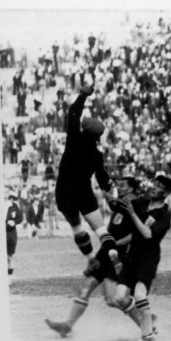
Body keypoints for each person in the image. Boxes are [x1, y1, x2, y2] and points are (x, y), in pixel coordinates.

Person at [45, 176, 155, 339]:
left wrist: (117, 243)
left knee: (113, 299)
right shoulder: (120, 204)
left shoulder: (138, 206)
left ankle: (146, 325)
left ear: (131, 188)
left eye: (123, 185)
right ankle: (67, 326)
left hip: (118, 256)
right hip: (105, 253)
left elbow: (139, 234)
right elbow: (109, 199)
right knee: (86, 288)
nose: (119, 188)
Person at [55, 85, 118, 270]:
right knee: (101, 230)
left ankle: (91, 259)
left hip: (65, 192)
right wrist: (109, 192)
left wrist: (83, 95)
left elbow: (73, 111)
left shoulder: (74, 139)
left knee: (77, 228)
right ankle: (114, 255)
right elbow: (102, 177)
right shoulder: (97, 155)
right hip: (84, 192)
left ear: (83, 129)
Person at [114, 174, 171, 341]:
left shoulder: (164, 214)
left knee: (140, 294)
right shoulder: (141, 203)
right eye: (154, 184)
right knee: (119, 297)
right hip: (133, 255)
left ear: (166, 193)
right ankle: (148, 325)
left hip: (148, 257)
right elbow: (135, 231)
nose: (154, 187)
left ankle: (148, 338)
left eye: (159, 186)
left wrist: (132, 214)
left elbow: (147, 234)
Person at [4, 191, 23, 280]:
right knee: (0, 256)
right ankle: (1, 277)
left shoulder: (14, 207)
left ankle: (9, 277)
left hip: (11, 233)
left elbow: (20, 218)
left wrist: (14, 222)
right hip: (0, 233)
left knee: (10, 256)